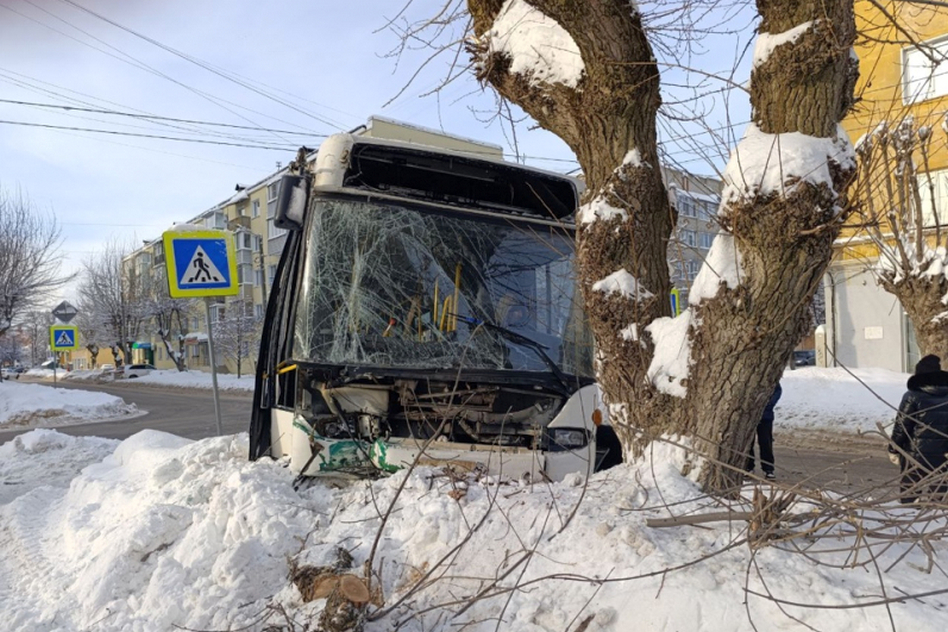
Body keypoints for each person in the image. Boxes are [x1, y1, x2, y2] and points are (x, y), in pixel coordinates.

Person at [889, 354, 948, 504]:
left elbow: (902, 426)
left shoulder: (912, 396)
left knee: (910, 494)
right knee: (939, 499)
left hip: (915, 455)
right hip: (943, 456)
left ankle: (908, 514)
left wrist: (893, 449)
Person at [746, 383, 782, 480]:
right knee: (748, 442)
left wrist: (766, 405)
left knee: (766, 442)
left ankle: (768, 469)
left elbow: (777, 392)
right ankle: (748, 466)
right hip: (748, 416)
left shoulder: (770, 379)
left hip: (765, 416)